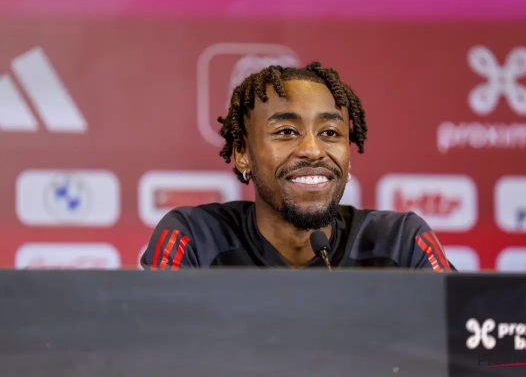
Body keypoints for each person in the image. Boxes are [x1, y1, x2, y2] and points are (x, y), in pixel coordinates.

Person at [141, 62, 455, 271]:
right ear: (242, 153)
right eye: (287, 131)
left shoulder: (401, 242)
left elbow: (461, 340)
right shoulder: (194, 238)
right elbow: (153, 344)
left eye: (330, 133)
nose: (313, 150)